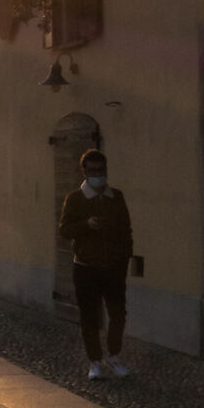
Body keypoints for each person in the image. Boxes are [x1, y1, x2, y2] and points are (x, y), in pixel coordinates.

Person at [58, 148, 134, 381]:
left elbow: (126, 230)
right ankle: (95, 362)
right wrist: (85, 225)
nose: (98, 175)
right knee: (89, 317)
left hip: (113, 266)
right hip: (85, 266)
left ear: (106, 170)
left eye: (101, 170)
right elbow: (64, 230)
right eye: (92, 171)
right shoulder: (75, 199)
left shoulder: (116, 197)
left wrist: (125, 257)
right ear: (84, 171)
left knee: (118, 314)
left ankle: (114, 355)